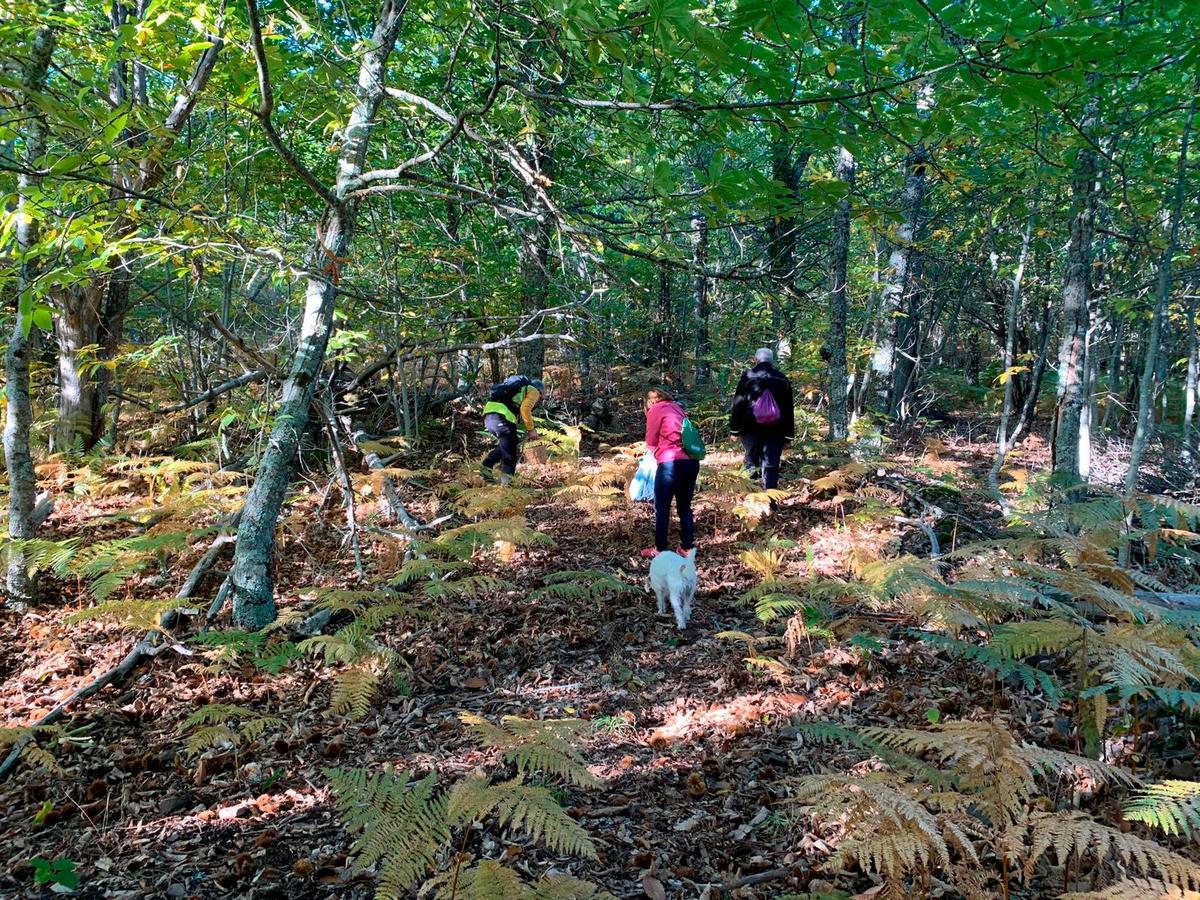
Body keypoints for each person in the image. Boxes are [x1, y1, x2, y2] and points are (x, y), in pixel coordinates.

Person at [641, 388, 699, 558]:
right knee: (684, 507)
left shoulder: (655, 410)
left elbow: (651, 441)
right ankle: (687, 548)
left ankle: (660, 549)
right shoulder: (678, 408)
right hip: (691, 462)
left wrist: (652, 454)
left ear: (650, 401)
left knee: (662, 507)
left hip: (670, 462)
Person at [729, 348, 794, 489]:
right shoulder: (782, 378)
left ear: (755, 359)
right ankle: (770, 501)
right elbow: (789, 409)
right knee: (771, 464)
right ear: (772, 360)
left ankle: (750, 498)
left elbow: (738, 403)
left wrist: (735, 430)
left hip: (750, 428)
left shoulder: (747, 376)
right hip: (776, 429)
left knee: (750, 461)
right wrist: (789, 436)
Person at [481, 375, 543, 483]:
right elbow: (525, 409)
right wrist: (531, 429)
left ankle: (487, 466)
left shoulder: (517, 391)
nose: (539, 400)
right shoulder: (534, 391)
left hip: (489, 417)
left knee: (510, 444)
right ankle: (506, 487)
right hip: (501, 416)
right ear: (540, 391)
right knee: (510, 455)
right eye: (541, 398)